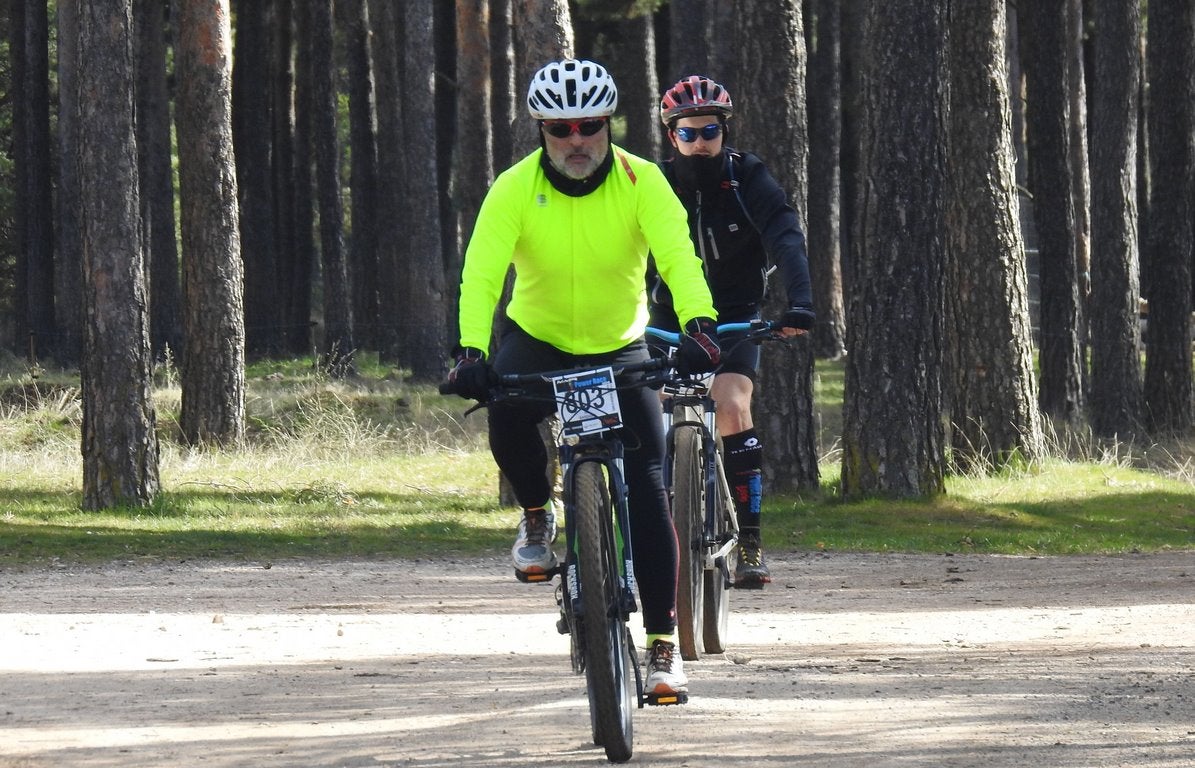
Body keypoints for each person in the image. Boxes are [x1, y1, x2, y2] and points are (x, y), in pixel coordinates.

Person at [443, 59, 722, 696]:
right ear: (543, 129)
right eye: (561, 127)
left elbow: (678, 256)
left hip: (620, 347)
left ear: (607, 124)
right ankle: (538, 515)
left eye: (589, 125)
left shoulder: (642, 180)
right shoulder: (513, 188)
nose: (576, 139)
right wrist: (469, 350)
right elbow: (482, 273)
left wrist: (699, 322)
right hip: (536, 338)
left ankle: (660, 647)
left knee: (649, 481)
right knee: (506, 410)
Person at [648, 75, 815, 588]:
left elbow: (786, 237)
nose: (700, 144)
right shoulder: (653, 184)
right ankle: (647, 532)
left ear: (724, 131)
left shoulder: (749, 179)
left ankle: (750, 538)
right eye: (688, 135)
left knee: (732, 405)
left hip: (734, 314)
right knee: (646, 413)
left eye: (710, 132)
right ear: (671, 137)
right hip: (667, 316)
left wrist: (800, 303)